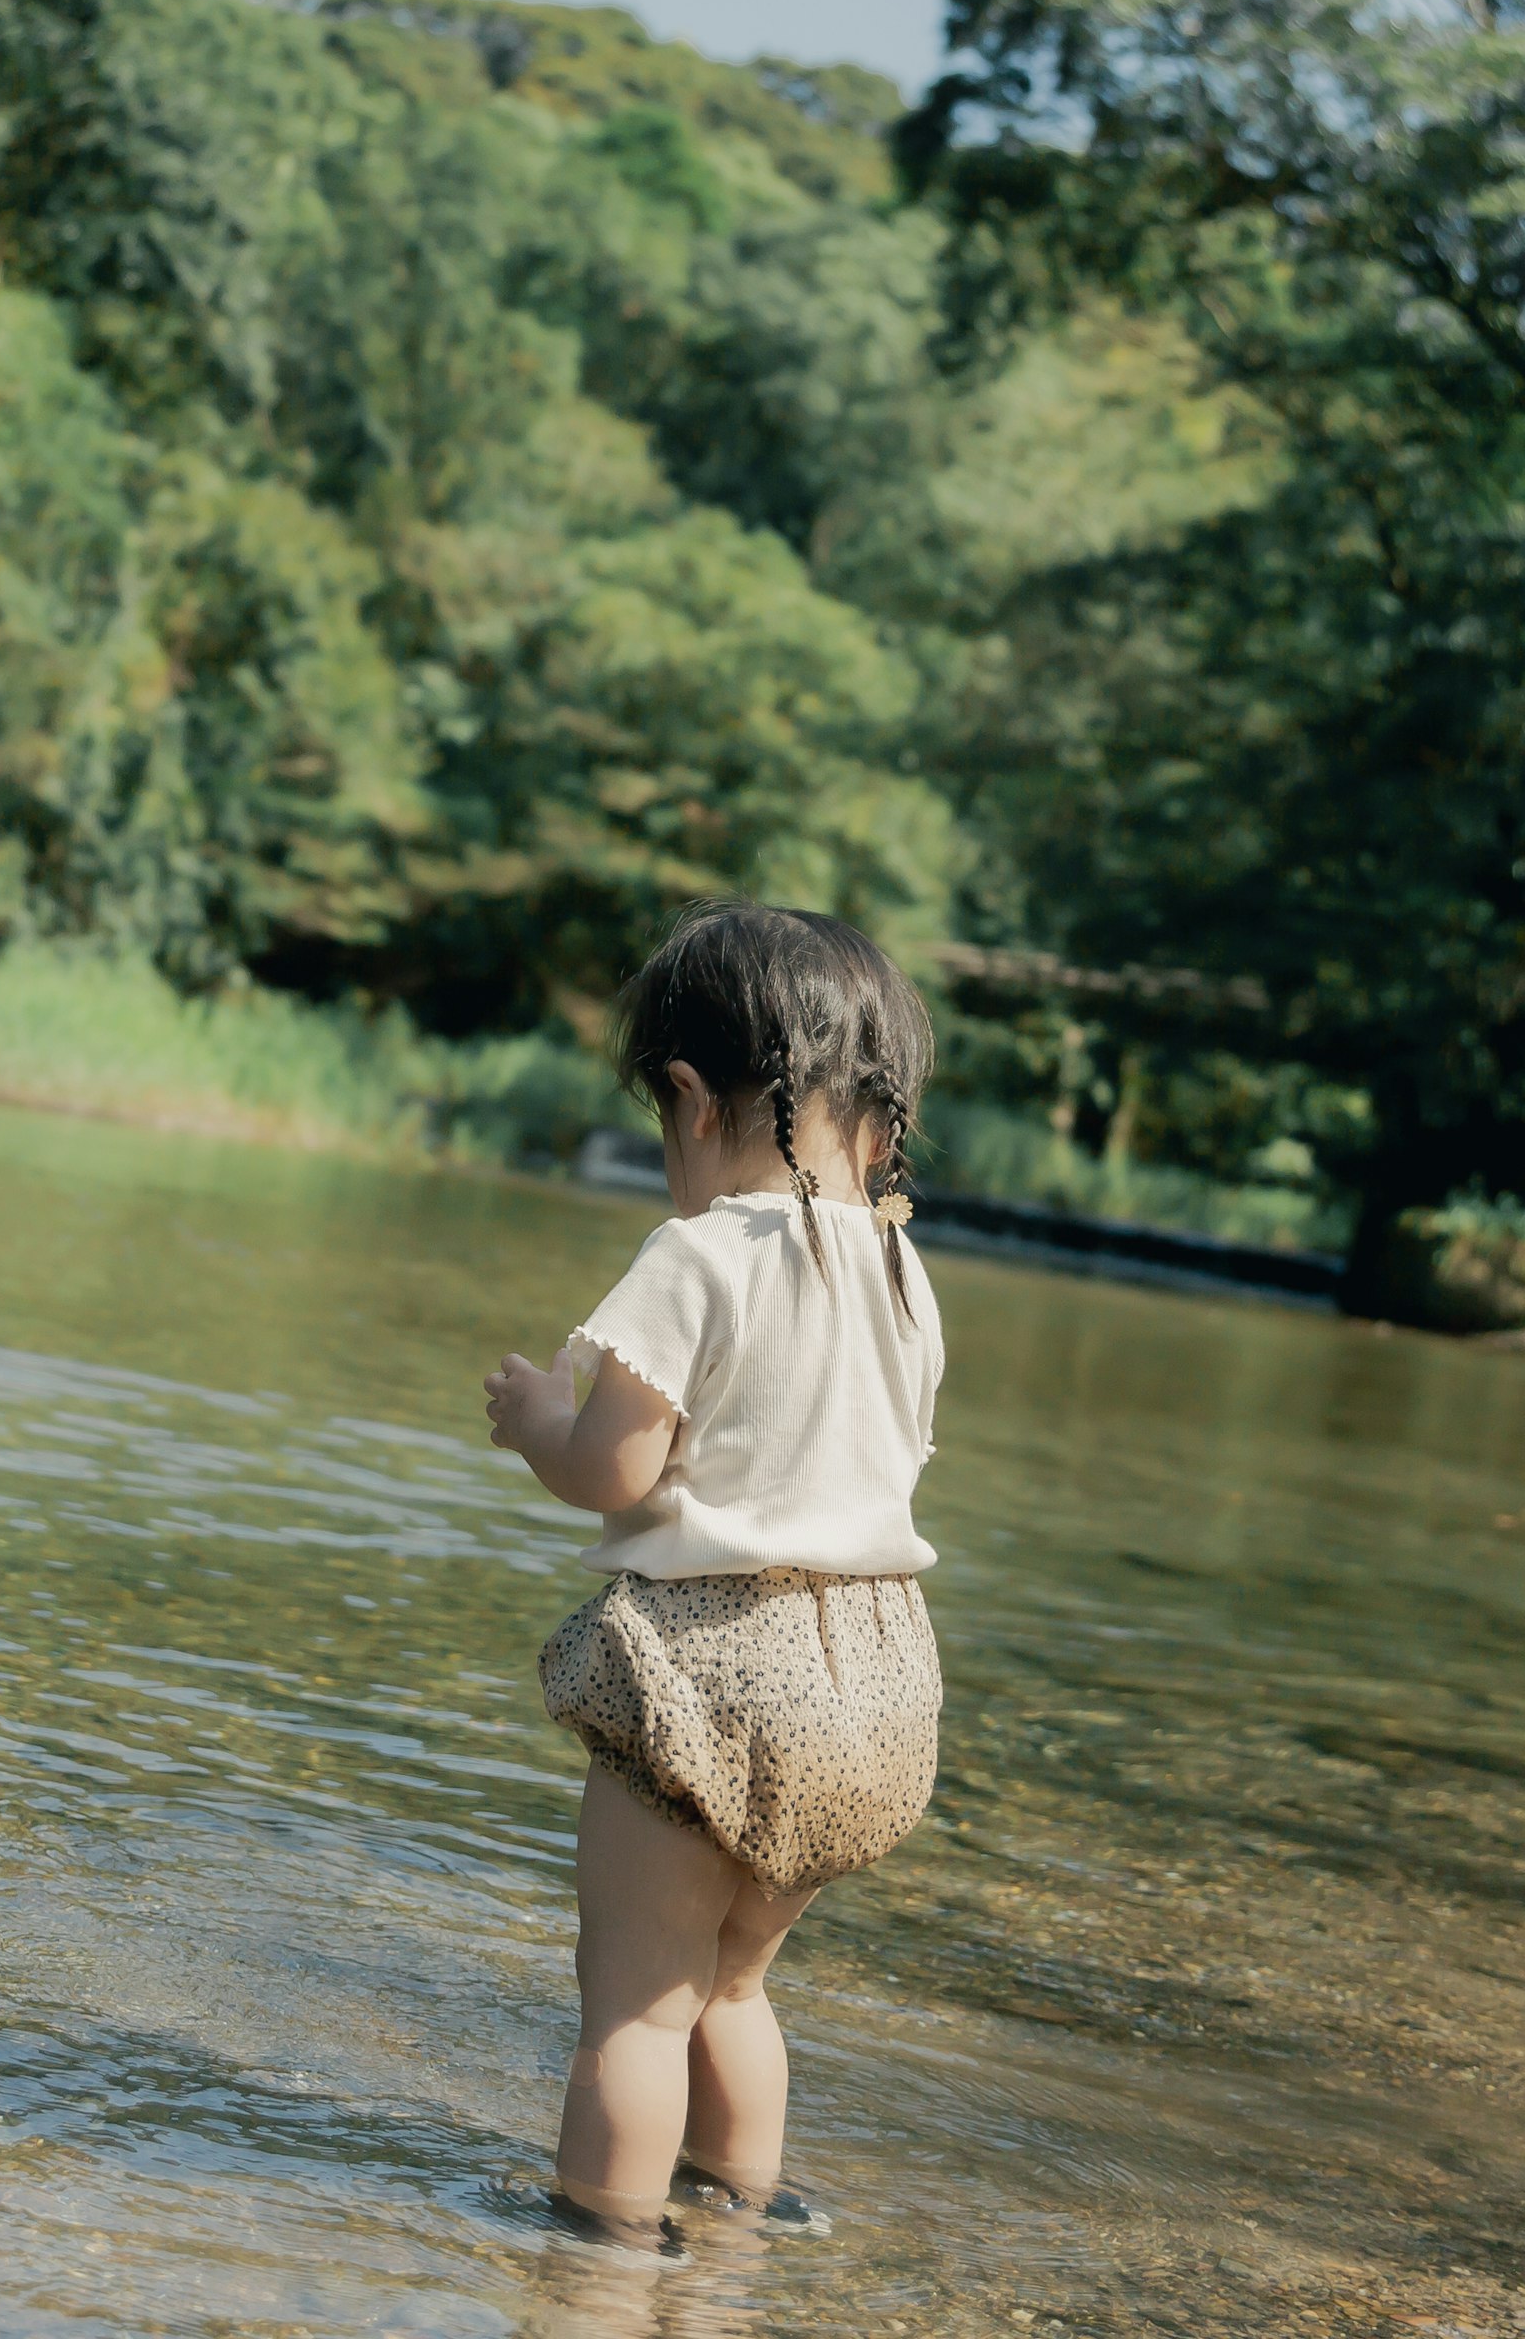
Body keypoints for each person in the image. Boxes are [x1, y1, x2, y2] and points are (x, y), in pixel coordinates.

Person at [482, 900, 947, 2234]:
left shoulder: (698, 1256)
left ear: (688, 1099)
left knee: (636, 2005)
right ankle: (740, 2244)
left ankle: (601, 2268)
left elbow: (618, 1470)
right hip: (877, 1687)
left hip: (721, 1676)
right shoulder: (906, 1275)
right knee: (734, 1990)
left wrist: (536, 1427)